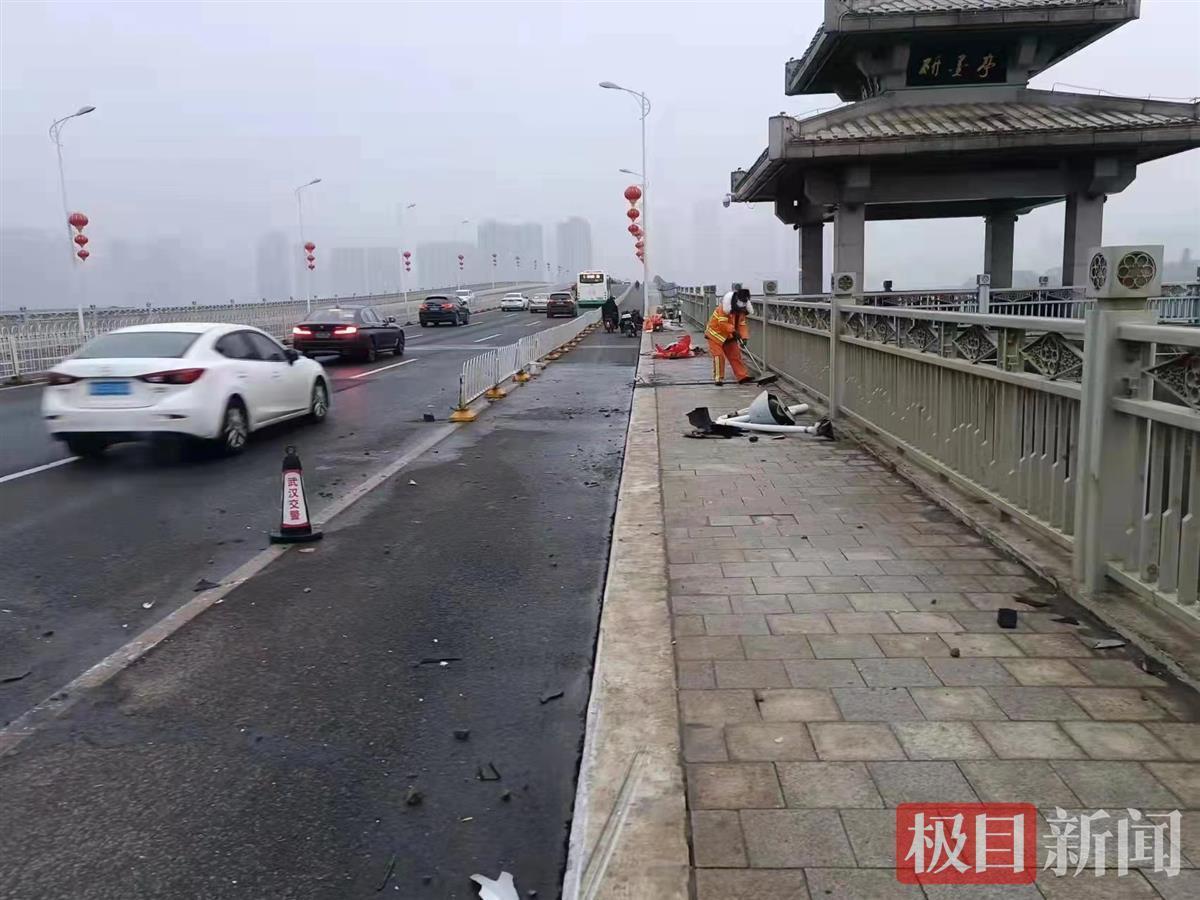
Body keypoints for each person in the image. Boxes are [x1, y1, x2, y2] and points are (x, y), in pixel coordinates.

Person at [705, 288, 754, 385]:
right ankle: (718, 378)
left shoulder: (742, 310)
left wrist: (744, 337)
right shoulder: (724, 308)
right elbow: (722, 324)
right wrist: (734, 331)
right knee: (719, 356)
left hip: (730, 336)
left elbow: (742, 324)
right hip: (715, 335)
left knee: (736, 355)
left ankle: (742, 376)